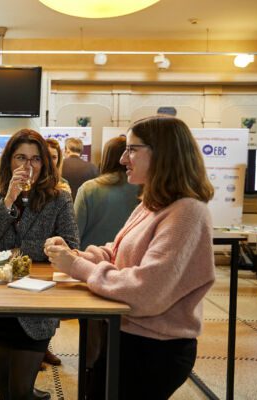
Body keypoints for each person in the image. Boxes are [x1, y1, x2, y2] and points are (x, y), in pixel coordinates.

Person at [45, 115, 216, 399]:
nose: (123, 159)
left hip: (154, 350)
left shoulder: (187, 212)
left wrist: (76, 265)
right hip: (129, 338)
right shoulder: (153, 203)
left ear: (163, 153)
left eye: (132, 149)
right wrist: (75, 254)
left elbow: (146, 290)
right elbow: (117, 252)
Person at [0, 128, 79, 400]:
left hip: (37, 305)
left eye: (35, 159)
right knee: (6, 381)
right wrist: (8, 199)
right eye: (21, 157)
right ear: (9, 160)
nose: (28, 166)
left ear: (45, 163)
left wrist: (19, 252)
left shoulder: (59, 198)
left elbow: (70, 245)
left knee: (19, 389)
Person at [74, 136, 140, 249]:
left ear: (106, 157)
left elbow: (75, 233)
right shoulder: (144, 189)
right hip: (129, 256)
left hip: (90, 256)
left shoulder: (88, 189)